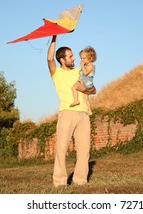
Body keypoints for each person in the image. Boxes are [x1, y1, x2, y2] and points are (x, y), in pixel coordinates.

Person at [47, 35, 96, 187]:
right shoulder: (56, 73)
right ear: (62, 60)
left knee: (84, 150)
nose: (74, 58)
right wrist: (54, 36)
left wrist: (85, 89)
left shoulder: (79, 72)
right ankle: (60, 182)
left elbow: (93, 89)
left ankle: (80, 180)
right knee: (61, 149)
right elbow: (49, 59)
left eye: (73, 55)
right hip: (67, 113)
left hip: (83, 114)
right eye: (70, 56)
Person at [70, 46, 97, 115]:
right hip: (87, 84)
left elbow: (85, 73)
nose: (82, 60)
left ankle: (76, 100)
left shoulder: (91, 66)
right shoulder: (87, 65)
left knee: (74, 87)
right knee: (86, 99)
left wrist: (82, 66)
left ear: (90, 58)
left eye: (84, 58)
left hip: (86, 83)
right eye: (81, 58)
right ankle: (90, 111)